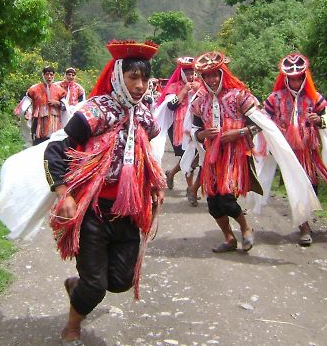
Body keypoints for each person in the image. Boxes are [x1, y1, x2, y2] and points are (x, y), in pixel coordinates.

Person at [44, 40, 165, 345]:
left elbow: (147, 153)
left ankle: (78, 286)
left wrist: (154, 184)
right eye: (132, 78)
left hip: (128, 214)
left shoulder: (145, 117)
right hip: (94, 214)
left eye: (144, 79)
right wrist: (64, 193)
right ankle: (74, 322)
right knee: (97, 286)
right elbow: (55, 150)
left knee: (122, 281)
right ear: (118, 77)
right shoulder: (95, 113)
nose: (139, 86)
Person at [263, 52, 327, 246]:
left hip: (309, 152)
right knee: (295, 186)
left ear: (304, 77)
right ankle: (304, 227)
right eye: (291, 79)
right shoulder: (275, 98)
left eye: (298, 78)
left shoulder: (315, 98)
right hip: (288, 153)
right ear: (286, 79)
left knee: (311, 186)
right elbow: (264, 119)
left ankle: (305, 220)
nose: (295, 82)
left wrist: (319, 121)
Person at [189, 51, 258, 252]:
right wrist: (202, 135)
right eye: (207, 76)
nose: (211, 79)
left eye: (215, 74)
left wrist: (238, 132)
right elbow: (194, 129)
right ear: (202, 78)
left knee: (227, 196)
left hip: (235, 155)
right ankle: (229, 238)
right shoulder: (200, 101)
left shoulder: (239, 95)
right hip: (213, 156)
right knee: (213, 202)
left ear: (222, 73)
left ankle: (246, 229)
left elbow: (259, 124)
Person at [153, 57, 200, 205]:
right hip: (178, 128)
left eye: (192, 72)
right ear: (181, 73)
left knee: (193, 156)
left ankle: (172, 173)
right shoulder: (174, 87)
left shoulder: (199, 86)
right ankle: (191, 188)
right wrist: (184, 91)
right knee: (188, 156)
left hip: (196, 125)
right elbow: (171, 106)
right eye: (187, 73)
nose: (191, 76)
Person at [25, 66, 67, 145]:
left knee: (52, 145)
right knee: (37, 145)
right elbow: (27, 103)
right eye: (47, 74)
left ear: (54, 76)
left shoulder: (60, 90)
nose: (49, 77)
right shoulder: (34, 89)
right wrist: (28, 112)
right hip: (38, 122)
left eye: (51, 75)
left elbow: (66, 107)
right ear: (43, 75)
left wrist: (57, 103)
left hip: (54, 123)